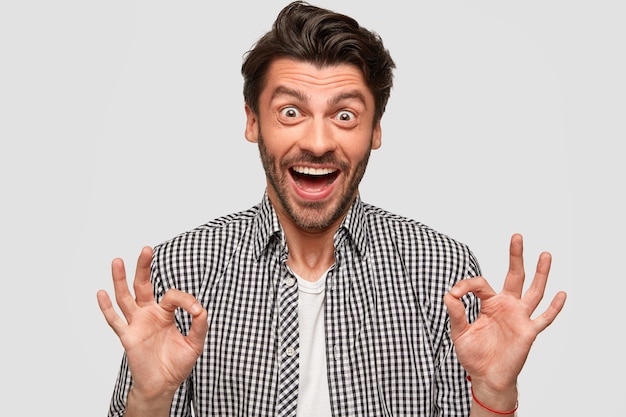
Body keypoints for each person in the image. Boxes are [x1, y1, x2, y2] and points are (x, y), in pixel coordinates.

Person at [97, 2, 567, 416]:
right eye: (290, 112)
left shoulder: (443, 271)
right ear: (252, 121)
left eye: (344, 116)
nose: (318, 142)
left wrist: (493, 391)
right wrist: (151, 400)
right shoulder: (183, 270)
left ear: (375, 131)